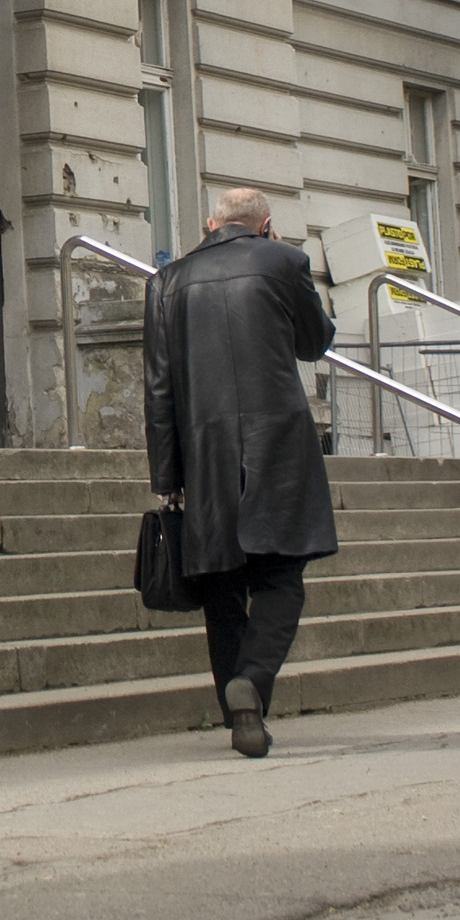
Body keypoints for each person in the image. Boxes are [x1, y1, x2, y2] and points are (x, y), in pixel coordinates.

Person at [142, 186, 335, 759]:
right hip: (277, 445)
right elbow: (315, 342)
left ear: (210, 223)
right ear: (266, 226)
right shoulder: (284, 261)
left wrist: (166, 475)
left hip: (205, 453)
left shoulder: (167, 283)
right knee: (281, 578)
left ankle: (239, 714)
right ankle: (252, 678)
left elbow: (158, 388)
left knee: (222, 585)